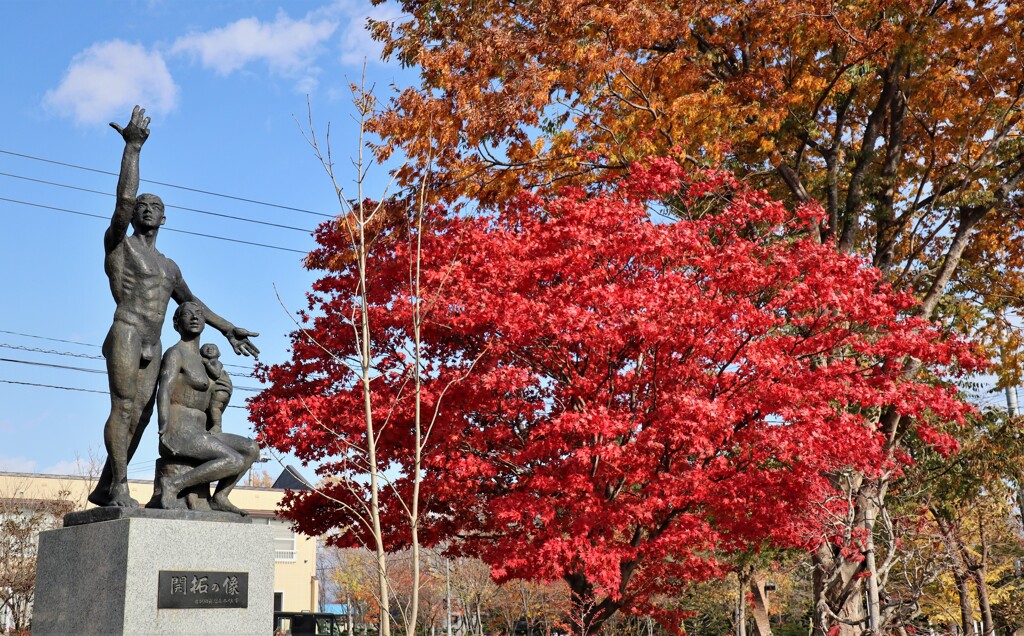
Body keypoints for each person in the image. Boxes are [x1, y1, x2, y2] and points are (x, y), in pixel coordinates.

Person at [88, 106, 259, 508]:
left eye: (154, 205)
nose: (145, 208)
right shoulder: (120, 244)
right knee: (125, 407)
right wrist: (133, 148)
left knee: (144, 416)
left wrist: (227, 327)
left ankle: (106, 484)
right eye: (141, 205)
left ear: (165, 217)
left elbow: (192, 302)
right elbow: (123, 199)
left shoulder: (170, 267)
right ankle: (119, 488)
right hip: (127, 331)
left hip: (153, 338)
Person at [155, 302, 258, 514]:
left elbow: (213, 404)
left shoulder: (207, 362)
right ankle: (173, 484)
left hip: (200, 432)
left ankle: (220, 497)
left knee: (251, 449)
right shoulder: (176, 353)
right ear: (176, 323)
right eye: (188, 315)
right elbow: (164, 390)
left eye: (200, 314)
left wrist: (224, 392)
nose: (195, 318)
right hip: (179, 430)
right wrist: (163, 427)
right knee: (233, 459)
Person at [200, 343, 232, 434]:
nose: (209, 349)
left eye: (213, 348)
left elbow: (216, 374)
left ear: (219, 353)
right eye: (206, 347)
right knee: (211, 408)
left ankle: (217, 426)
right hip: (214, 388)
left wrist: (207, 363)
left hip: (221, 387)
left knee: (214, 407)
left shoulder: (215, 362)